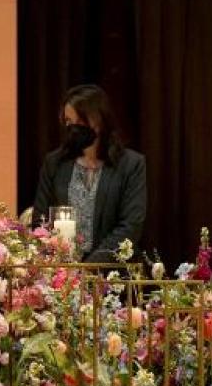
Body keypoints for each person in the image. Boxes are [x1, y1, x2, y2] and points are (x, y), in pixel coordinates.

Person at [29, 84, 148, 263]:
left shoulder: (130, 165)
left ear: (98, 119)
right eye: (69, 122)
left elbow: (130, 225)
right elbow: (40, 220)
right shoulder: (55, 163)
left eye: (79, 122)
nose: (73, 128)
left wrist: (90, 267)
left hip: (112, 271)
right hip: (62, 273)